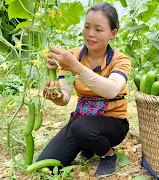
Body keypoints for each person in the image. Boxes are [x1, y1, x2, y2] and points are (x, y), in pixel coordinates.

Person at [37, 2, 131, 178]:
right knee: (47, 165)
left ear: (113, 33)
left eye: (98, 29)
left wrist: (77, 67)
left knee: (81, 127)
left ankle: (108, 154)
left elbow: (111, 90)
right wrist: (55, 95)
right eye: (87, 27)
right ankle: (88, 145)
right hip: (83, 121)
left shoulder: (121, 60)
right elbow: (64, 98)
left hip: (113, 123)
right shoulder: (71, 56)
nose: (90, 34)